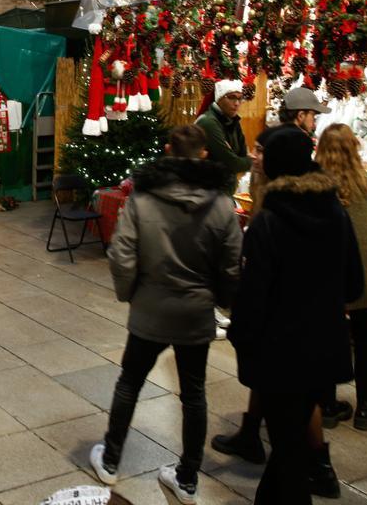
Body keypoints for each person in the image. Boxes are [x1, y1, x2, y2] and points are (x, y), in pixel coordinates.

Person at [90, 125, 242, 503]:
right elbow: (231, 263)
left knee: (129, 383)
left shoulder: (144, 198)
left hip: (151, 309)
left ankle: (110, 459)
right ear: (204, 155)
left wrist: (130, 294)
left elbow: (122, 253)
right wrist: (219, 300)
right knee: (193, 393)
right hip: (195, 311)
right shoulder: (222, 203)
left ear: (166, 149)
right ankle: (188, 478)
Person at [228, 128, 362, 505]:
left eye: (264, 154)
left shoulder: (268, 222)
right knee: (290, 445)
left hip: (277, 353)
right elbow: (354, 284)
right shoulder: (336, 212)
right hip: (323, 349)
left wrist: (243, 338)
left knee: (288, 454)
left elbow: (252, 297)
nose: (258, 159)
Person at [314, 124, 367, 431]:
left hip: (322, 275)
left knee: (325, 338)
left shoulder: (313, 183)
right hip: (364, 273)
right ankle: (366, 407)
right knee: (366, 339)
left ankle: (327, 404)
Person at [193, 80, 251, 193]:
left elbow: (242, 154)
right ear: (219, 98)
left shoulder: (233, 120)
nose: (237, 103)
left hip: (224, 190)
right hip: (208, 191)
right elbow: (234, 164)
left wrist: (241, 160)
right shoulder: (209, 123)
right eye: (231, 97)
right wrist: (251, 161)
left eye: (240, 98)